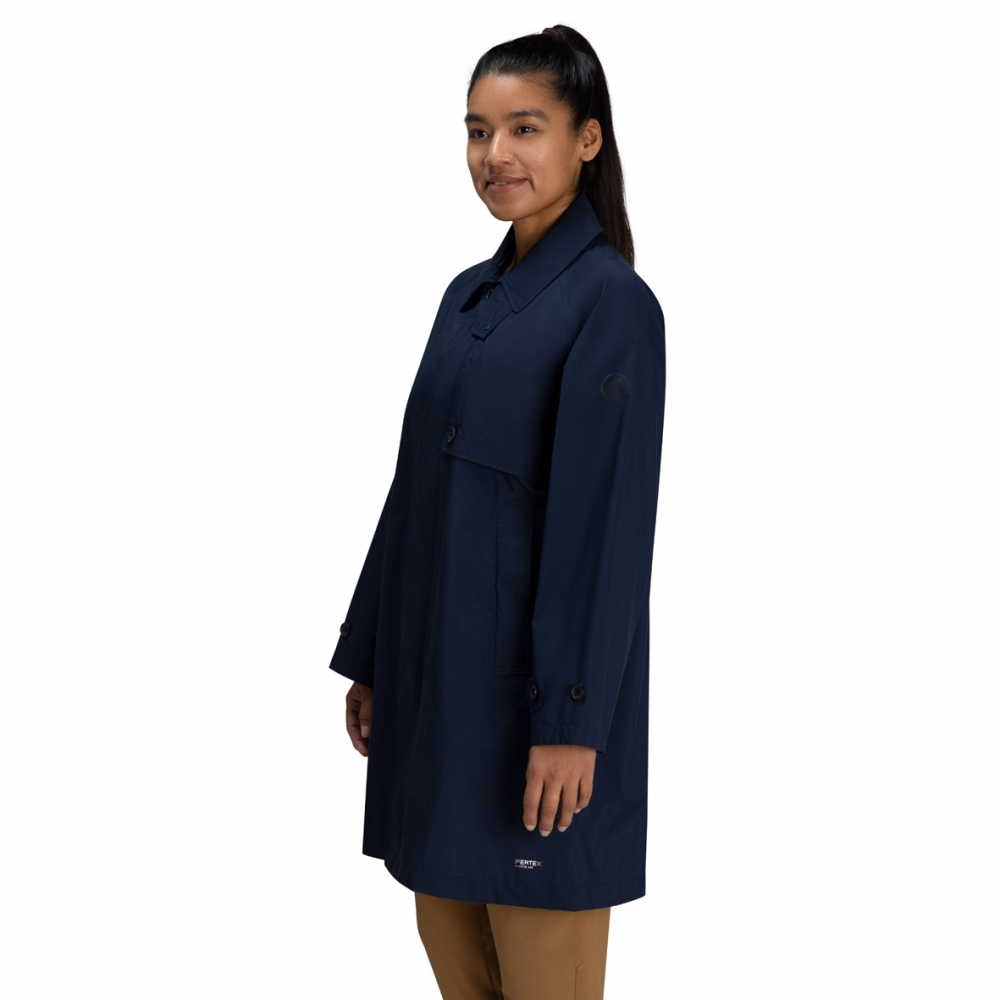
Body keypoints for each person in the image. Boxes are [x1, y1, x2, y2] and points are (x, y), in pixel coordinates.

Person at [328, 24, 666, 1000]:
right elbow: (415, 491)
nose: (494, 155)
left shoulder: (612, 305)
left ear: (587, 140)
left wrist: (572, 723)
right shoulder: (467, 299)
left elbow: (604, 536)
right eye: (478, 131)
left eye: (524, 128)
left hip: (535, 723)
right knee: (452, 952)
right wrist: (374, 654)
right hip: (439, 702)